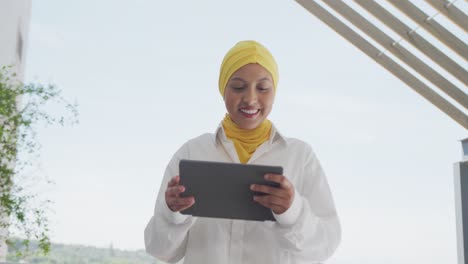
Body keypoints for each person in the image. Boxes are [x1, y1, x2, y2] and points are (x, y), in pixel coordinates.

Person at [144, 40, 341, 264]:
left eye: (263, 88)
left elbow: (325, 246)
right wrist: (172, 213)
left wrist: (292, 211)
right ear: (223, 89)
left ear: (274, 91)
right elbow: (160, 250)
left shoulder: (301, 157)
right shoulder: (191, 152)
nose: (250, 98)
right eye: (238, 87)